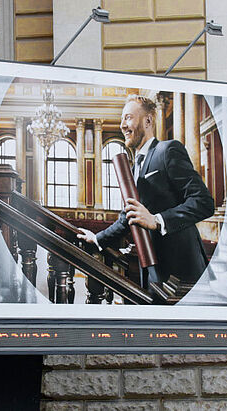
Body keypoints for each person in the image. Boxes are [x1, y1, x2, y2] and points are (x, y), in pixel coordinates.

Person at [77, 94, 214, 292]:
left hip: (183, 273)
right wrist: (97, 239)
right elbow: (128, 218)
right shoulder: (133, 169)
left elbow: (203, 202)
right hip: (150, 271)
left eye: (128, 117)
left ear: (148, 120)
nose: (122, 125)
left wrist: (157, 220)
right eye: (122, 119)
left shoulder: (168, 150)